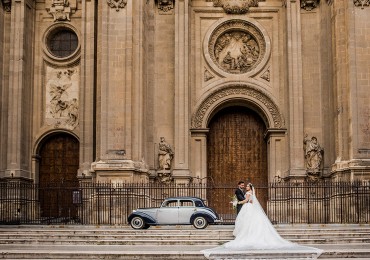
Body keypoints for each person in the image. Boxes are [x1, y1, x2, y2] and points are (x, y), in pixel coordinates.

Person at [202, 183, 323, 259]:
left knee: (249, 224)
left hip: (247, 208)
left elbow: (246, 201)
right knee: (251, 224)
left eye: (248, 186)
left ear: (250, 188)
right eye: (246, 186)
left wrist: (237, 202)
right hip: (250, 208)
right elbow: (252, 202)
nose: (247, 187)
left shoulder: (248, 193)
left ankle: (249, 235)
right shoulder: (249, 193)